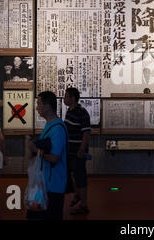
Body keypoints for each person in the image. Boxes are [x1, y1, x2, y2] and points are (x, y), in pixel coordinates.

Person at [27, 91, 68, 220]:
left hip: (53, 185)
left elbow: (54, 157)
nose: (37, 107)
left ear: (48, 106)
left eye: (39, 103)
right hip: (45, 183)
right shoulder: (50, 125)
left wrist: (37, 150)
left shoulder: (57, 128)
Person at [63, 87, 91, 215]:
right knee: (71, 175)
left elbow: (86, 133)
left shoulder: (82, 112)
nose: (64, 99)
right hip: (69, 151)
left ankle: (84, 205)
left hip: (78, 151)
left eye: (66, 96)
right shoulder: (69, 111)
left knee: (80, 177)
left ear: (73, 98)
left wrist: (81, 149)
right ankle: (78, 195)